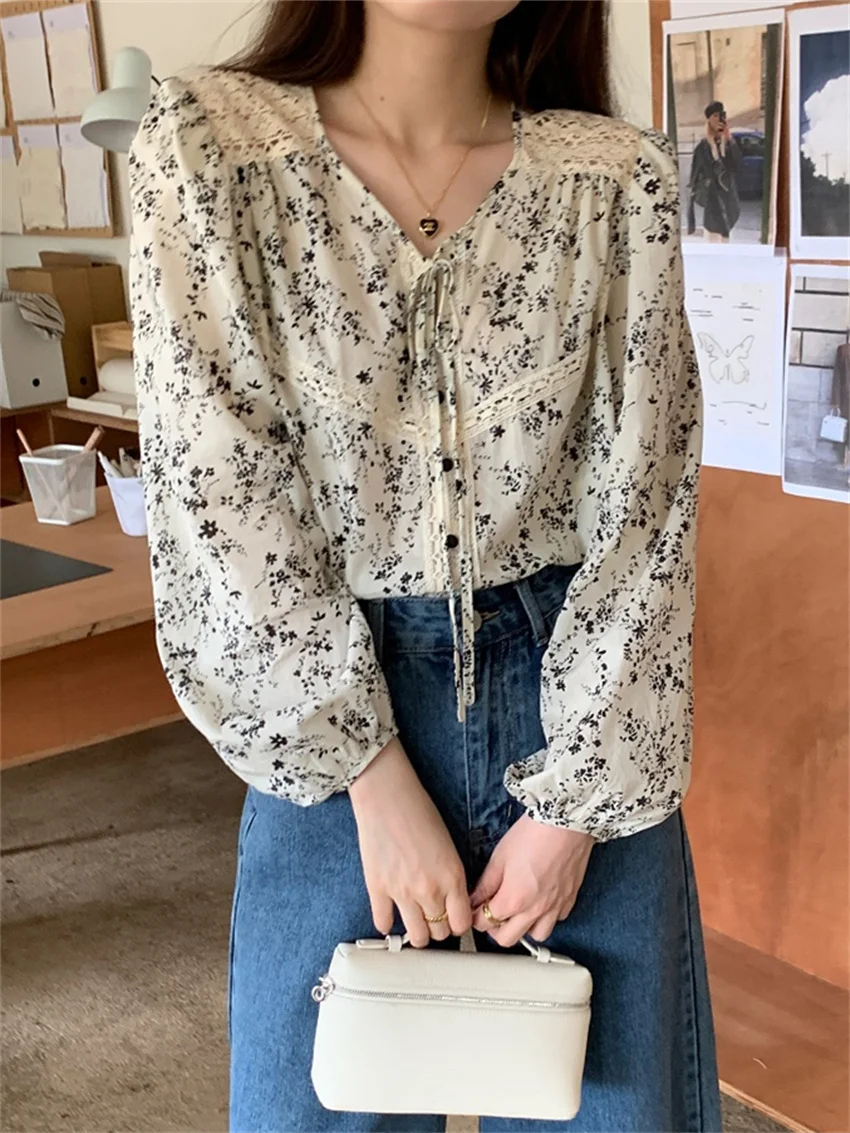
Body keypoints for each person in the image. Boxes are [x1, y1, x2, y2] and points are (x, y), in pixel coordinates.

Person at [129, 2, 721, 1131]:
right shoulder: (211, 148)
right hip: (325, 727)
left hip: (581, 711)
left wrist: (576, 807)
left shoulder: (615, 179)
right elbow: (219, 491)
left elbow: (649, 505)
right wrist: (369, 773)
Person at [688, 100, 741, 243]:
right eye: (715, 116)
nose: (719, 119)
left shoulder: (728, 143)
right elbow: (695, 176)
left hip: (728, 201)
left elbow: (736, 166)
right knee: (713, 240)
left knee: (727, 240)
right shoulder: (703, 146)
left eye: (721, 116)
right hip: (712, 202)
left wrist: (728, 139)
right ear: (709, 120)